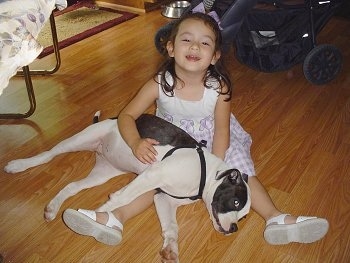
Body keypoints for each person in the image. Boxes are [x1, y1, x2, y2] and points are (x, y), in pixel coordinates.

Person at [62, 12, 329, 254]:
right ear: (170, 48)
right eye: (187, 39)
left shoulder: (219, 88)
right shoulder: (158, 84)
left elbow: (222, 129)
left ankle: (275, 217)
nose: (194, 47)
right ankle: (115, 217)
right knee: (154, 177)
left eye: (205, 43)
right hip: (174, 139)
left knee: (241, 171)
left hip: (215, 140)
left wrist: (215, 167)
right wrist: (135, 142)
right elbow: (127, 116)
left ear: (214, 56)